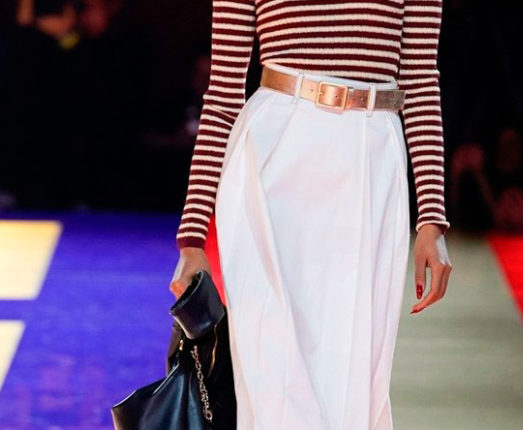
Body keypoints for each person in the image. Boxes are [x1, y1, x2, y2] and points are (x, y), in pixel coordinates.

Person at [169, 0, 454, 428]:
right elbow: (224, 94)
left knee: (350, 384)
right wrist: (192, 238)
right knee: (273, 375)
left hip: (371, 161)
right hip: (272, 158)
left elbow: (420, 81)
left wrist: (432, 217)